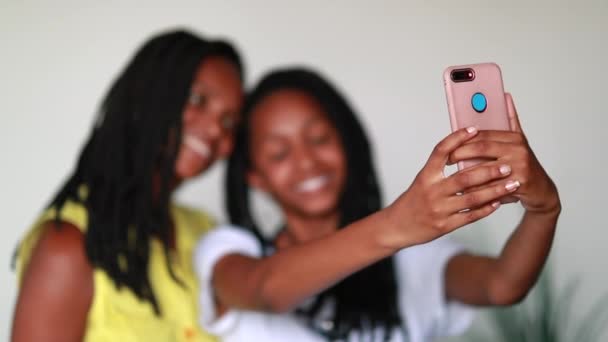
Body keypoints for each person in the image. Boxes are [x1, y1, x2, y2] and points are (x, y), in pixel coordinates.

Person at [194, 68, 561, 342]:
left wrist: (544, 210)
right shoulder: (233, 251)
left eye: (319, 138)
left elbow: (502, 285)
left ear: (347, 143)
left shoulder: (412, 261)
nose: (306, 162)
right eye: (279, 152)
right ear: (254, 176)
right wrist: (396, 224)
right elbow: (266, 291)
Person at [12, 29, 244, 342]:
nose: (216, 129)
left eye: (229, 121)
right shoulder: (71, 244)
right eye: (197, 99)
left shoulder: (205, 232)